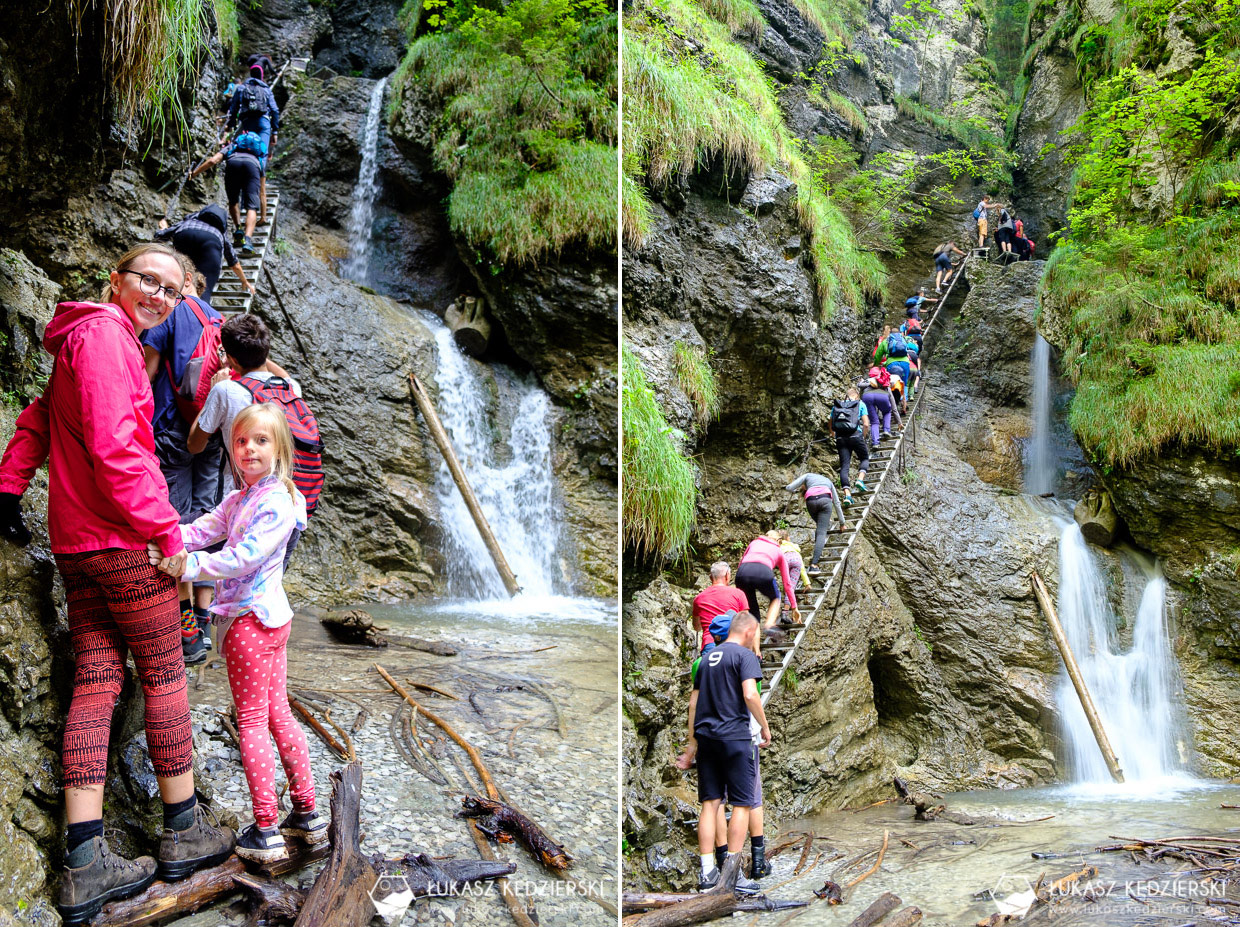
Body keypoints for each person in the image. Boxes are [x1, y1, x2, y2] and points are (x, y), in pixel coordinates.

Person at [0, 243, 235, 924]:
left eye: (171, 289)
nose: (159, 295)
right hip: (124, 542)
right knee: (165, 673)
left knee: (98, 679)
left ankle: (83, 859)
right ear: (117, 278)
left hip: (78, 546)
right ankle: (184, 830)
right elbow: (117, 449)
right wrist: (166, 531)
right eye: (148, 280)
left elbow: (41, 419)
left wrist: (11, 485)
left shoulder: (81, 335)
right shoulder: (107, 337)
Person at [152, 402, 323, 863]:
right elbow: (205, 527)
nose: (249, 449)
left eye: (261, 441)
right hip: (270, 620)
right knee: (277, 713)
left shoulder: (278, 502)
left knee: (251, 721)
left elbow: (244, 556)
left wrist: (191, 564)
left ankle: (266, 827)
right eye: (241, 441)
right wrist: (166, 535)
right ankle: (307, 813)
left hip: (251, 622)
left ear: (280, 448)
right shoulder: (243, 496)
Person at [142, 267, 225, 665]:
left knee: (173, 522)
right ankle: (206, 619)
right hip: (209, 434)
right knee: (208, 519)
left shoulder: (168, 314)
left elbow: (147, 373)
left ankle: (184, 626)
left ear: (182, 280)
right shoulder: (217, 317)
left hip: (172, 431)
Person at [673, 610, 769, 894]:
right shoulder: (744, 656)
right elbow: (750, 694)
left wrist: (692, 744)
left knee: (710, 804)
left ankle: (707, 874)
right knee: (741, 804)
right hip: (734, 737)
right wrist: (764, 726)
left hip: (706, 738)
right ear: (750, 632)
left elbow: (693, 704)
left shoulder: (705, 661)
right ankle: (733, 875)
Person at [188, 132, 267, 255]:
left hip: (233, 163)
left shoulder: (232, 147)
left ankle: (238, 229)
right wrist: (263, 215)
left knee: (233, 200)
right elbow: (262, 192)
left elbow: (213, 161)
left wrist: (194, 173)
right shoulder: (259, 160)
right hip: (253, 167)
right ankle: (247, 240)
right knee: (251, 207)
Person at [156, 204, 254, 302]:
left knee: (178, 278)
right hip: (211, 242)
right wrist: (244, 281)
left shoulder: (190, 221)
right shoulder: (220, 231)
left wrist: (163, 227)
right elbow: (234, 262)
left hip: (184, 235)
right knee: (204, 288)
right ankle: (199, 311)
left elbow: (162, 235)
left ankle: (167, 302)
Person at [225, 62, 281, 225]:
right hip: (263, 123)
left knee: (243, 148)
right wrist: (275, 132)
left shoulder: (242, 88)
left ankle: (245, 190)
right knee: (260, 159)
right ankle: (257, 188)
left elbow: (234, 108)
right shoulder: (266, 89)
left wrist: (230, 126)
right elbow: (275, 110)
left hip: (247, 122)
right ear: (262, 76)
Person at [735, 531, 799, 630]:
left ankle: (753, 644)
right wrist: (794, 607)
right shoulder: (778, 551)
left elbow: (741, 562)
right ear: (778, 540)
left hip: (742, 573)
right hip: (762, 571)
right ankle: (769, 625)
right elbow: (787, 583)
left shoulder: (754, 543)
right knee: (775, 597)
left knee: (753, 612)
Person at [784, 473, 846, 574]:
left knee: (820, 527)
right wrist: (842, 523)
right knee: (822, 531)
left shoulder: (807, 476)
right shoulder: (828, 481)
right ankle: (814, 564)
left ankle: (826, 526)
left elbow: (789, 487)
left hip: (811, 501)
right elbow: (837, 503)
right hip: (825, 500)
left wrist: (794, 490)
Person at [691, 562, 749, 652]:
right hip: (733, 642)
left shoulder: (699, 598)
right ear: (727, 575)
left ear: (711, 577)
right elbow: (745, 621)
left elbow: (697, 627)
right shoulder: (738, 594)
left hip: (710, 643)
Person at [832, 387, 870, 507]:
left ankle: (847, 495)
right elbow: (866, 424)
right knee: (864, 458)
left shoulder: (838, 406)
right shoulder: (860, 404)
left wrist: (833, 434)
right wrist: (862, 436)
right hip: (855, 435)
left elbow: (830, 421)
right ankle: (860, 479)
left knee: (844, 466)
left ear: (846, 395)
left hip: (840, 438)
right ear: (857, 396)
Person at [861, 369, 900, 447]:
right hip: (882, 396)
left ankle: (875, 443)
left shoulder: (868, 382)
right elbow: (894, 408)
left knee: (874, 422)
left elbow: (859, 385)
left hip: (867, 396)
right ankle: (886, 430)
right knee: (887, 412)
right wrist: (899, 422)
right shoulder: (886, 386)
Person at [774, 530, 803, 609]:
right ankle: (786, 611)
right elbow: (802, 567)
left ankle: (785, 609)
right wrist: (807, 583)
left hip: (785, 559)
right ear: (787, 538)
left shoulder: (778, 546)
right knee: (791, 585)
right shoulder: (794, 546)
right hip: (796, 560)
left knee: (787, 585)